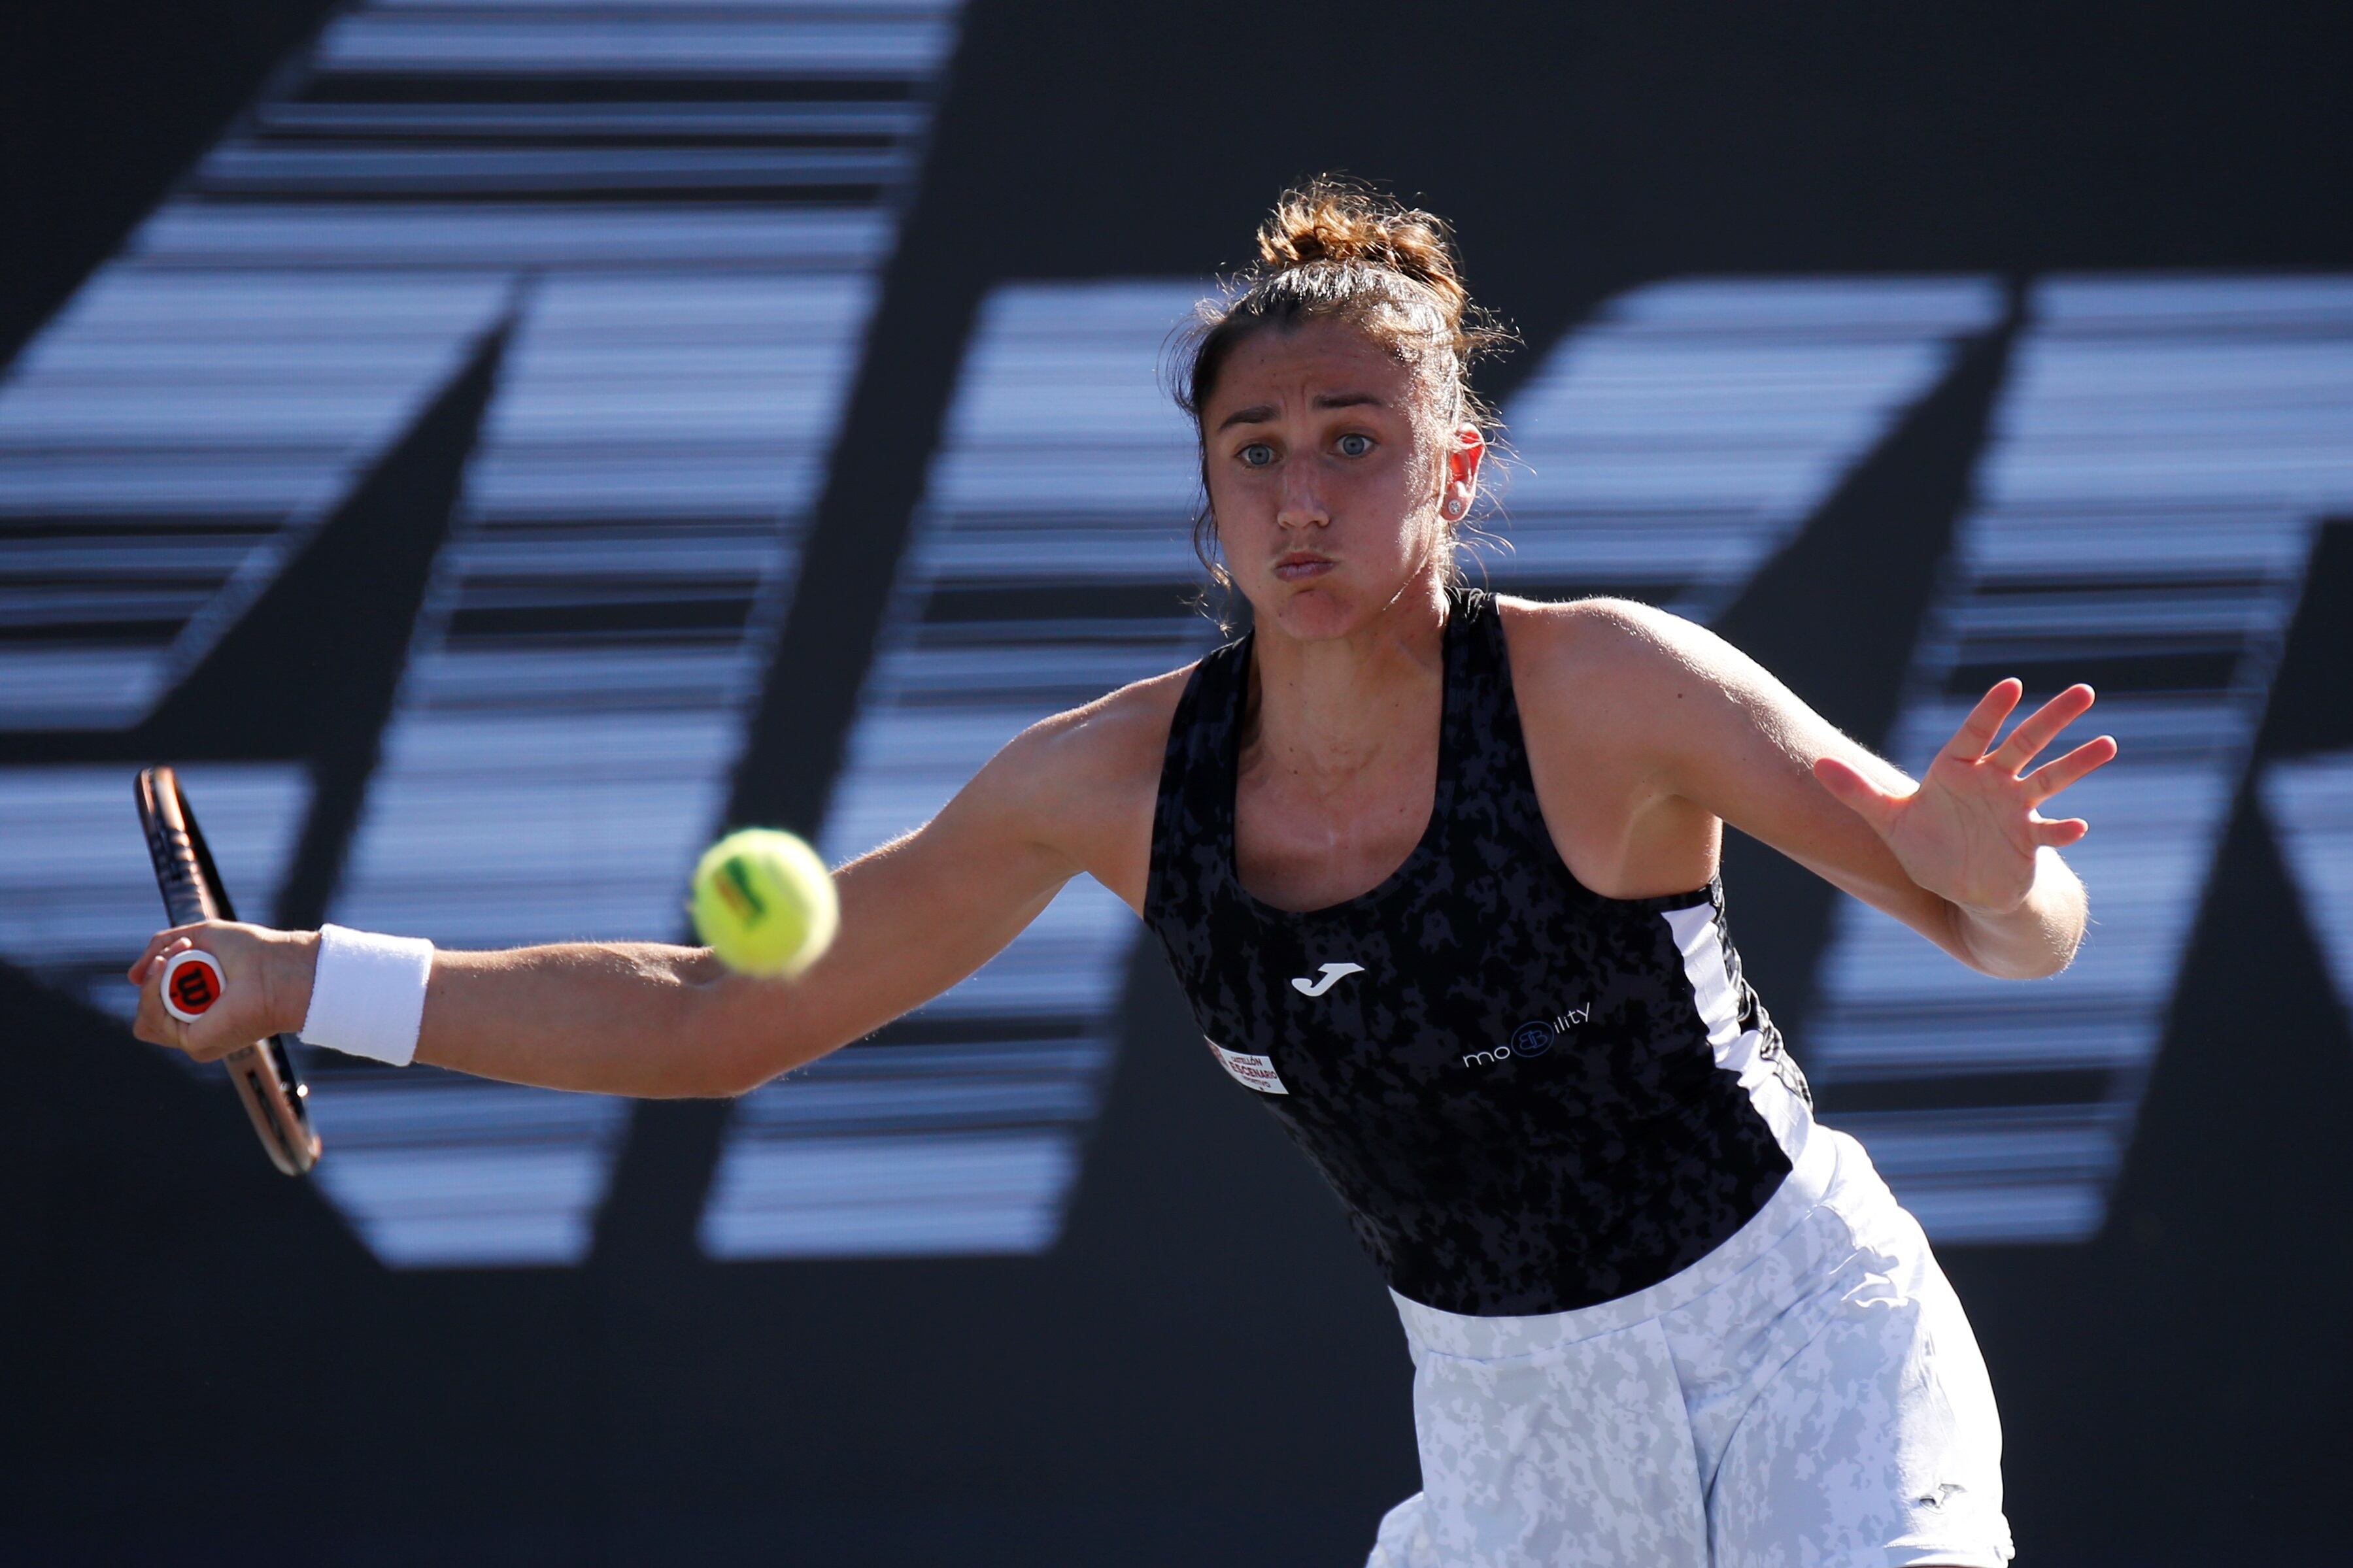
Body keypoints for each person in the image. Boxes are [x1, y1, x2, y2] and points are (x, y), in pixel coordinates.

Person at [131, 181, 2114, 1567]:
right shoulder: (1108, 782)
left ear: (1457, 469)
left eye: (1358, 437)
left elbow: (1994, 920)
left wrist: (1988, 877)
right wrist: (309, 980)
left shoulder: (1605, 689)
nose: (1304, 489)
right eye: (1258, 449)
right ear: (1212, 496)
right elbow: (727, 1022)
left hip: (1806, 1349)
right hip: (1511, 1453)